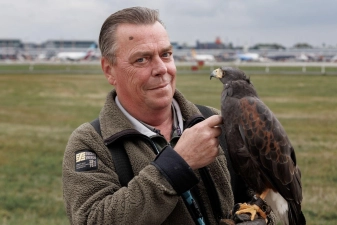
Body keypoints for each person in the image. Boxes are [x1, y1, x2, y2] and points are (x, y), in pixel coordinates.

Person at [62, 6, 234, 225]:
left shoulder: (215, 121)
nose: (161, 68)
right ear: (109, 70)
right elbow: (93, 220)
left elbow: (268, 193)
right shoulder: (91, 143)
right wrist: (177, 165)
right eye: (142, 59)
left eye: (166, 54)